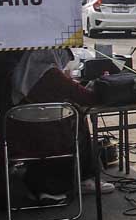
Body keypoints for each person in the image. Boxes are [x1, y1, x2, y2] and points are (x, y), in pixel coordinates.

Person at [8, 49, 112, 196]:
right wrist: (96, 85)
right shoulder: (49, 74)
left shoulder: (24, 71)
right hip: (47, 139)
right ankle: (85, 179)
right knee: (79, 119)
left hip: (21, 135)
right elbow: (87, 98)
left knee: (73, 115)